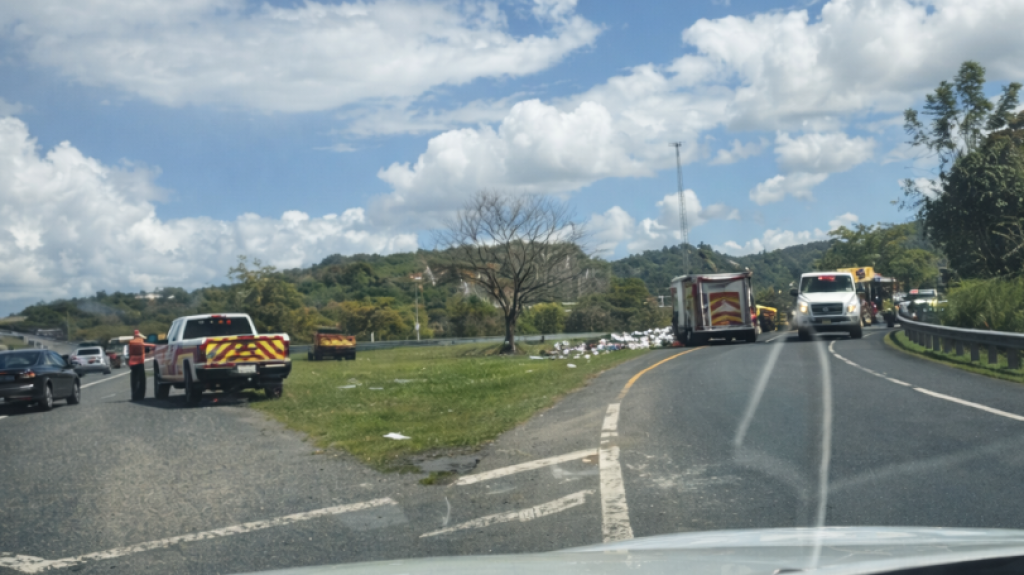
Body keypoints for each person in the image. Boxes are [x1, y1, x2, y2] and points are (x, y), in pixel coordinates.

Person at [128, 330, 152, 401]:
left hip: (132, 362)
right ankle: (141, 395)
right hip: (140, 362)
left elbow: (129, 352)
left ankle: (134, 395)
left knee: (133, 379)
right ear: (139, 335)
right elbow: (147, 349)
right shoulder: (142, 341)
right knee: (142, 380)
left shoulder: (131, 342)